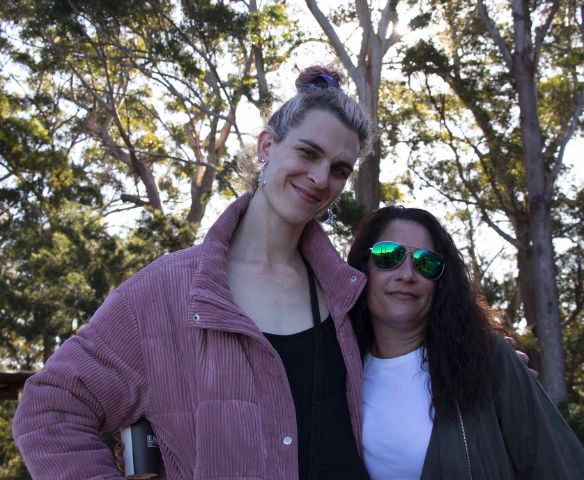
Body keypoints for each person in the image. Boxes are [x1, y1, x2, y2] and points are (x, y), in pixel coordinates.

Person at [13, 65, 372, 480]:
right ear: (266, 146)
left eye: (340, 169)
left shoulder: (348, 293)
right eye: (308, 153)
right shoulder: (162, 293)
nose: (320, 177)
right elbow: (50, 409)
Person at [346, 206, 584, 480]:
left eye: (426, 262)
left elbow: (559, 465)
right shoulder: (338, 367)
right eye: (389, 256)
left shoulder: (488, 360)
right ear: (364, 268)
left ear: (441, 283)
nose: (407, 274)